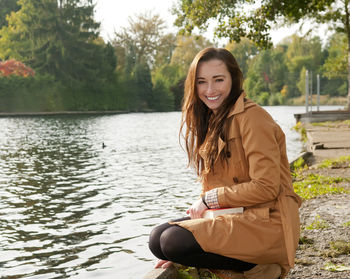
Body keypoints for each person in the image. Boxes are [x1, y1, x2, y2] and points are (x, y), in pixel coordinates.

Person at [148, 47, 302, 279]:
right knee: (158, 238)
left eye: (218, 80)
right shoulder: (213, 119)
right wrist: (191, 242)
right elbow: (213, 182)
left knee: (172, 240)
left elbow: (267, 186)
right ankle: (229, 266)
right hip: (233, 216)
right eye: (202, 82)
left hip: (268, 224)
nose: (210, 90)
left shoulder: (253, 118)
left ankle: (260, 269)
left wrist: (209, 200)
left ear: (234, 79)